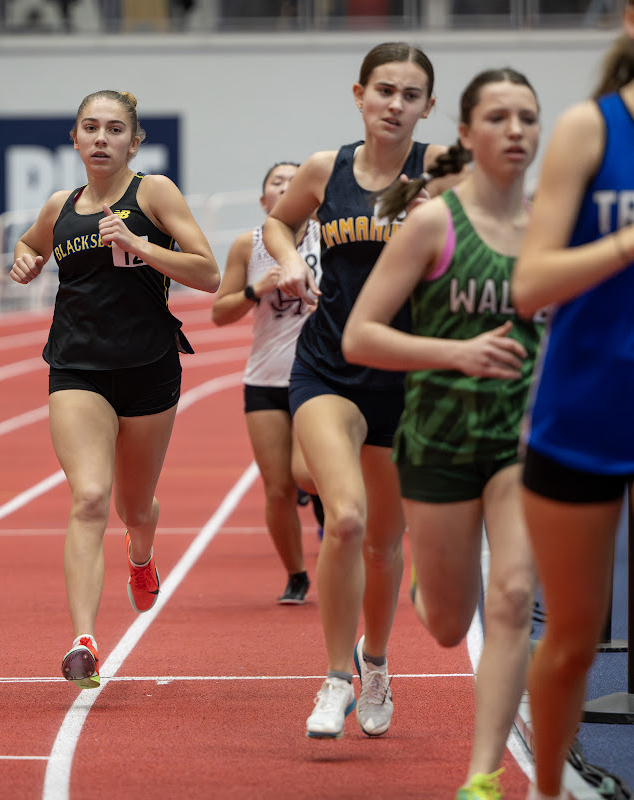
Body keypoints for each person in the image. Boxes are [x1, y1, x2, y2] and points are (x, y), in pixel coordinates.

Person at [342, 67, 544, 799]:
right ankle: (427, 579)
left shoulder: (554, 226)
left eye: (527, 116)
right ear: (463, 133)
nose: (514, 130)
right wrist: (455, 352)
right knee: (450, 625)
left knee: (515, 594)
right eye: (496, 117)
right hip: (435, 438)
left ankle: (481, 776)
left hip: (518, 441)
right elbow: (359, 336)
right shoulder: (433, 222)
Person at [262, 41, 455, 741]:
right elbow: (279, 221)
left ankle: (376, 663)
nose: (394, 105)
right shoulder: (325, 168)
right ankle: (335, 676)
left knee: (382, 540)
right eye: (383, 91)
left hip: (406, 377)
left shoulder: (443, 173)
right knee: (342, 519)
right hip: (327, 367)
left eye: (409, 95)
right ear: (359, 94)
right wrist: (287, 261)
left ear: (428, 107)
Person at [10, 89, 220, 690]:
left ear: (134, 141)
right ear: (75, 140)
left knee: (135, 508)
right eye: (90, 128)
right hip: (77, 367)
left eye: (114, 130)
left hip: (149, 366)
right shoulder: (61, 205)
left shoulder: (153, 194)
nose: (101, 139)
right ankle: (84, 642)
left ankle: (141, 555)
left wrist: (141, 246)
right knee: (90, 498)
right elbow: (30, 243)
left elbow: (207, 273)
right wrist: (25, 259)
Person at [510, 4, 634, 798]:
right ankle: (547, 788)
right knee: (573, 641)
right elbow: (528, 286)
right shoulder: (591, 128)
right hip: (586, 411)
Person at [211, 161, 322, 604]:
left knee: (307, 474)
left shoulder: (328, 238)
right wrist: (258, 289)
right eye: (278, 182)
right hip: (266, 379)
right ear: (264, 200)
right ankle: (296, 573)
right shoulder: (248, 245)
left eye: (295, 182)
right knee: (278, 489)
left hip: (319, 375)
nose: (287, 187)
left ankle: (330, 510)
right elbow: (221, 313)